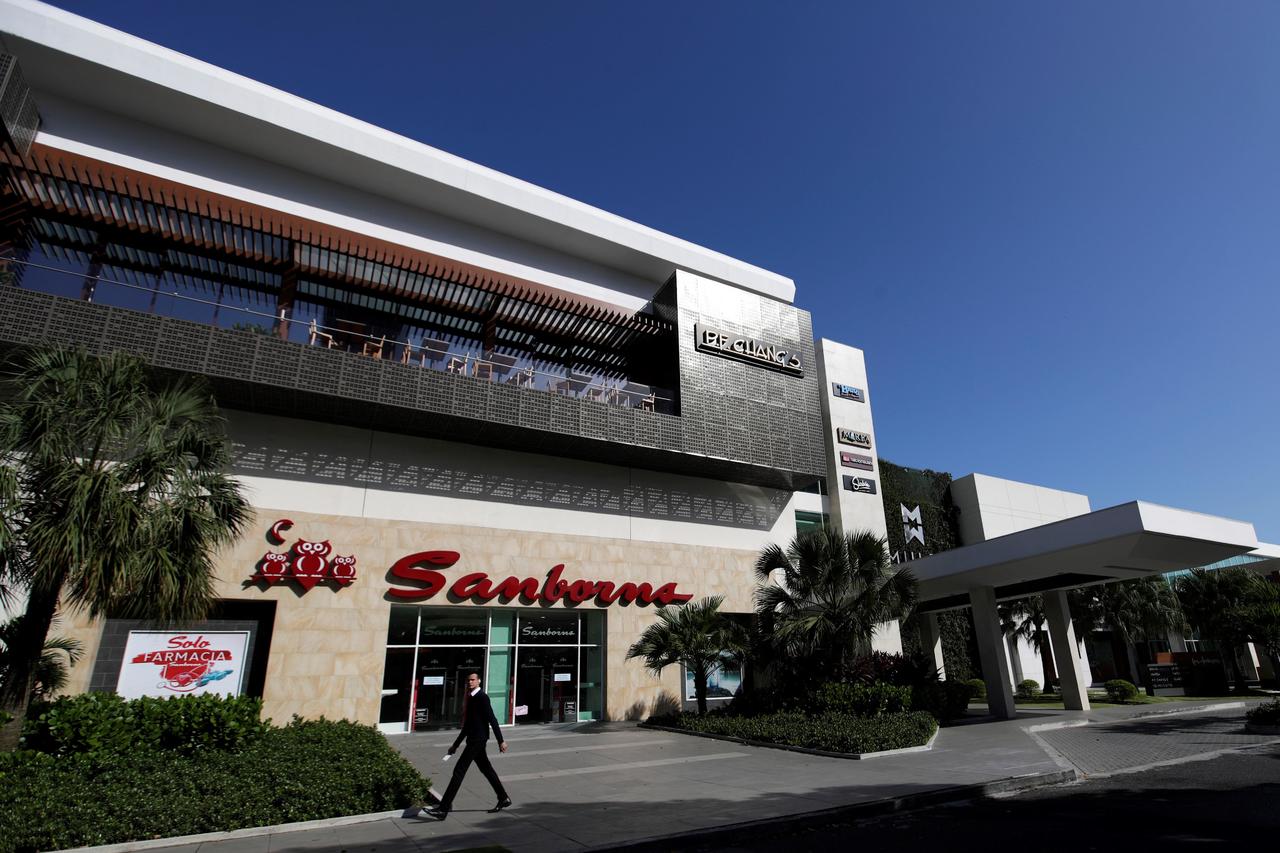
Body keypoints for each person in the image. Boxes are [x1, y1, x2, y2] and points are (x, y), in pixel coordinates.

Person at [426, 672, 512, 819]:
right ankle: (503, 798)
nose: (470, 682)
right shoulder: (471, 697)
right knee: (486, 769)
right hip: (474, 740)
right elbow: (467, 725)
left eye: (473, 680)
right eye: (468, 680)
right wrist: (455, 745)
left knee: (459, 770)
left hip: (478, 740)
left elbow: (492, 719)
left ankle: (443, 809)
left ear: (479, 681)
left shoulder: (482, 697)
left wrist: (501, 740)